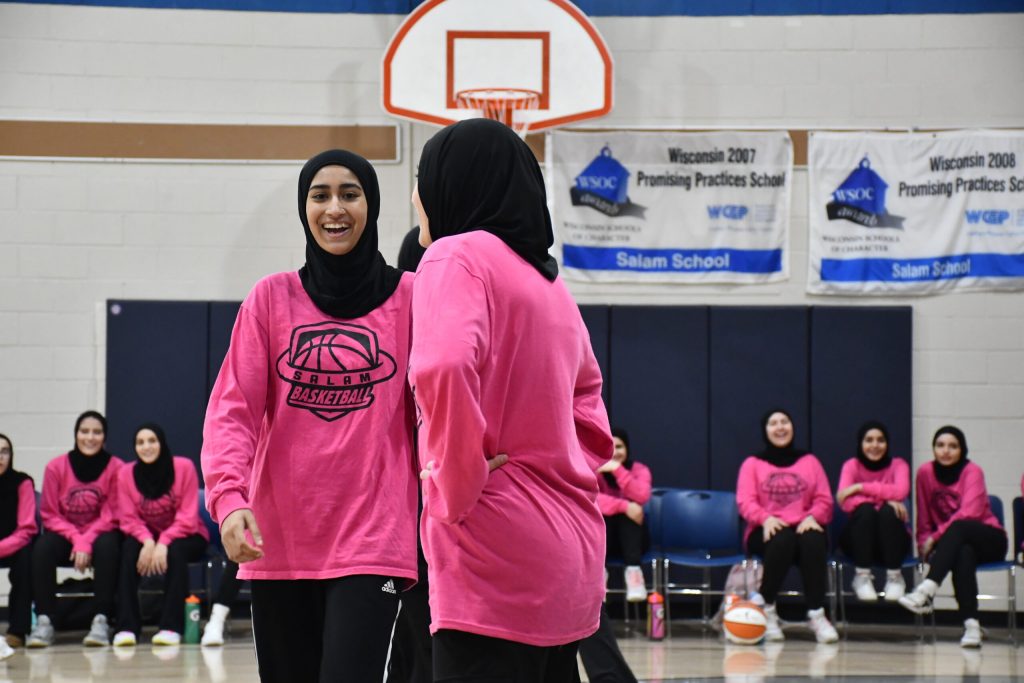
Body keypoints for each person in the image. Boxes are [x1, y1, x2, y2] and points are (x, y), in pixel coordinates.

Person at [201, 149, 418, 683]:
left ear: (373, 203)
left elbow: (449, 397)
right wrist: (228, 501)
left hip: (375, 541)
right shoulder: (271, 298)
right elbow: (233, 412)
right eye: (319, 195)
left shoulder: (412, 298)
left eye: (350, 193)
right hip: (280, 542)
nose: (333, 208)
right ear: (304, 208)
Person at [409, 118, 610, 682]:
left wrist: (455, 482)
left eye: (425, 176)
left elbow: (442, 364)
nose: (417, 194)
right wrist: (556, 471)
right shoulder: (550, 284)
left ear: (456, 184)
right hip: (570, 553)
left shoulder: (455, 256)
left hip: (493, 554)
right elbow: (590, 409)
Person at [736, 409, 839, 644]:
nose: (780, 427)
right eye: (773, 423)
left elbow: (825, 499)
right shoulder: (752, 464)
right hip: (766, 530)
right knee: (783, 539)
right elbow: (745, 501)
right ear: (765, 430)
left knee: (813, 540)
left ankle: (816, 614)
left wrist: (813, 517)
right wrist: (765, 518)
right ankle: (768, 609)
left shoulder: (810, 462)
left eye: (785, 422)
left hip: (804, 525)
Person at [899, 426, 1007, 648]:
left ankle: (927, 588)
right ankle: (971, 626)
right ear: (933, 449)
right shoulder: (925, 473)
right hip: (956, 543)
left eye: (953, 446)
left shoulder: (972, 471)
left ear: (962, 449)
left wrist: (935, 537)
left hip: (989, 538)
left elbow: (971, 513)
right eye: (940, 445)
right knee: (963, 553)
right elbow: (924, 516)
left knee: (958, 527)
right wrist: (923, 545)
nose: (946, 451)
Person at [28, 410, 123, 648]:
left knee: (109, 545)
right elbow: (49, 514)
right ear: (76, 434)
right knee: (42, 548)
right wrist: (76, 538)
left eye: (97, 432)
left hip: (99, 535)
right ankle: (45, 620)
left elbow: (112, 514)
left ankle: (101, 620)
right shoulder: (55, 467)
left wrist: (86, 540)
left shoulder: (117, 468)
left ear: (104, 437)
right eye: (84, 431)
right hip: (66, 536)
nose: (90, 437)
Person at [113, 424, 209, 646]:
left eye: (152, 440)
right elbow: (128, 518)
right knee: (127, 550)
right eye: (140, 442)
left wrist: (163, 542)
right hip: (147, 537)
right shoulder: (126, 474)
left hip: (189, 534)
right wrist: (147, 541)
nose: (146, 446)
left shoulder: (183, 467)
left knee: (176, 552)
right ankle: (126, 627)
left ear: (162, 443)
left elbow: (187, 517)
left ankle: (171, 627)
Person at [835, 421, 911, 602]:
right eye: (869, 440)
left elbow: (901, 492)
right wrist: (885, 498)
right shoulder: (851, 466)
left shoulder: (898, 465)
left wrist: (859, 487)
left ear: (887, 443)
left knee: (887, 513)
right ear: (860, 443)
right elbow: (845, 502)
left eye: (880, 440)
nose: (875, 445)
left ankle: (895, 577)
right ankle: (861, 576)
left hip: (892, 543)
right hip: (858, 541)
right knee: (867, 511)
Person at [597, 427, 651, 602]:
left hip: (634, 543)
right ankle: (598, 577)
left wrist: (617, 470)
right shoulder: (593, 471)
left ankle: (634, 573)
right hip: (604, 542)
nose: (615, 452)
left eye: (619, 446)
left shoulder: (640, 470)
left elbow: (642, 495)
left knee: (632, 514)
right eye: (610, 446)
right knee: (607, 515)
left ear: (627, 448)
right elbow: (590, 499)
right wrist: (624, 506)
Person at [0, 433, 36, 659]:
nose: (0, 457)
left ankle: (18, 630)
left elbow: (27, 528)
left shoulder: (22, 482)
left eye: (4, 451)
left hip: (13, 544)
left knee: (27, 557)